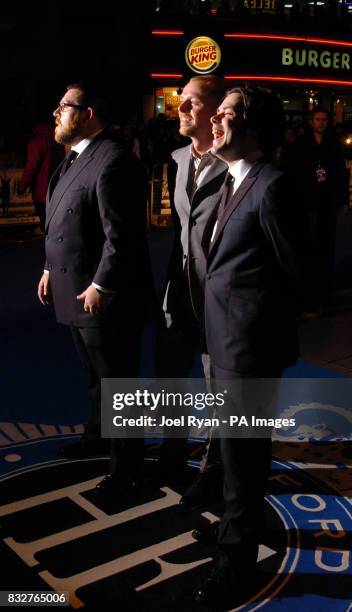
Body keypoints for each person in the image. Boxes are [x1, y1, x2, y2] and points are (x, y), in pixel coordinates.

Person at [193, 87, 299, 607]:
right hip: (226, 346)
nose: (215, 119)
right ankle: (234, 530)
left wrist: (256, 331)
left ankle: (237, 564)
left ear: (253, 126)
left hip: (250, 352)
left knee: (246, 462)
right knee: (235, 460)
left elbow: (296, 271)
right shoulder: (233, 180)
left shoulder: (272, 185)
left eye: (227, 113)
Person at [38, 83, 151, 482]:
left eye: (64, 106)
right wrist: (51, 267)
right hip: (76, 289)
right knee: (95, 378)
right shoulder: (75, 157)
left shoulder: (113, 159)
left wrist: (102, 285)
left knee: (118, 384)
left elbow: (121, 236)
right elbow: (71, 222)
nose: (56, 112)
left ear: (88, 115)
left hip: (103, 298)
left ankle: (128, 467)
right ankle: (99, 437)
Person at [156, 75, 228, 506]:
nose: (180, 109)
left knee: (217, 386)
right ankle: (171, 448)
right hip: (177, 293)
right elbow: (181, 232)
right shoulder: (177, 158)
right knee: (169, 376)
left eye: (191, 103)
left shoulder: (235, 164)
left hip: (217, 298)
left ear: (216, 111)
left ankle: (213, 472)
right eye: (180, 102)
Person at [287, 106, 349, 317]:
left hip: (327, 203)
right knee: (307, 249)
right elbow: (292, 173)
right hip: (305, 203)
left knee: (326, 248)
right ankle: (308, 296)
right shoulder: (300, 144)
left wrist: (343, 201)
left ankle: (324, 295)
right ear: (311, 121)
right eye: (318, 119)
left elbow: (341, 173)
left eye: (324, 119)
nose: (321, 122)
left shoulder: (334, 144)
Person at [18, 120, 64, 232]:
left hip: (42, 192)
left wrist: (22, 187)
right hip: (58, 189)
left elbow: (31, 166)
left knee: (45, 223)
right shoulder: (57, 140)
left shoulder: (37, 140)